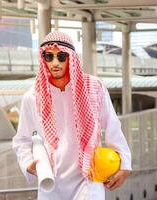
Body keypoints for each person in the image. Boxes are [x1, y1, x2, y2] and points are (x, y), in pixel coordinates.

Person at [12, 31, 132, 200]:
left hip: (88, 179)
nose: (55, 63)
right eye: (49, 57)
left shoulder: (94, 88)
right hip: (51, 181)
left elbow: (112, 125)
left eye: (61, 56)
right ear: (43, 59)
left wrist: (125, 164)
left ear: (71, 58)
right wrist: (27, 163)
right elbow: (22, 140)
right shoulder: (32, 97)